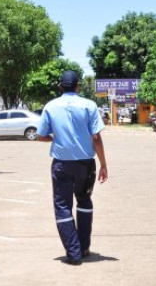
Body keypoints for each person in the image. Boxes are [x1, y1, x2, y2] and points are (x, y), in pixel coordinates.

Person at [37, 70, 108, 265]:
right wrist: (103, 165)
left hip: (61, 165)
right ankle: (84, 247)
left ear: (60, 86)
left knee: (62, 207)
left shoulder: (51, 106)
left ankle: (74, 252)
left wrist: (56, 138)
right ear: (78, 86)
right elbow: (96, 137)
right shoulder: (89, 105)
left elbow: (41, 135)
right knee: (84, 200)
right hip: (86, 164)